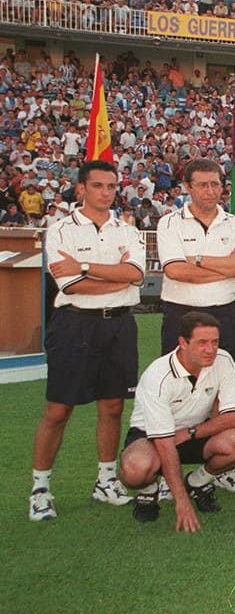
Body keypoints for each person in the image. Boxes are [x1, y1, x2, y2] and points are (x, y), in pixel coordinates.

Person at [30, 160, 145, 522]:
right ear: (82, 189)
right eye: (98, 186)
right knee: (58, 409)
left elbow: (136, 275)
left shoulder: (126, 230)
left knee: (112, 406)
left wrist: (82, 266)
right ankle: (40, 489)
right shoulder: (60, 229)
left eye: (111, 186)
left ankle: (106, 481)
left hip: (119, 326)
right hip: (74, 325)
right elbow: (69, 286)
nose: (106, 193)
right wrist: (116, 279)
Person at [155, 158, 235, 493]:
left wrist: (199, 259)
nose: (210, 191)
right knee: (175, 391)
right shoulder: (170, 223)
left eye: (215, 184)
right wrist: (226, 265)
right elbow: (174, 271)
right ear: (187, 187)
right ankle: (167, 469)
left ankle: (215, 466)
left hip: (224, 312)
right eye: (202, 184)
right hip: (181, 313)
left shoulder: (234, 223)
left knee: (224, 393)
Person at [117, 312, 235, 533]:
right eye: (202, 343)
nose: (210, 349)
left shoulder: (224, 360)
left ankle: (198, 482)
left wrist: (190, 432)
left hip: (194, 432)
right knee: (135, 469)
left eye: (214, 342)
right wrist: (181, 502)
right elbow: (164, 442)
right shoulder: (158, 376)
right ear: (183, 343)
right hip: (151, 437)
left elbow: (234, 417)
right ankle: (150, 489)